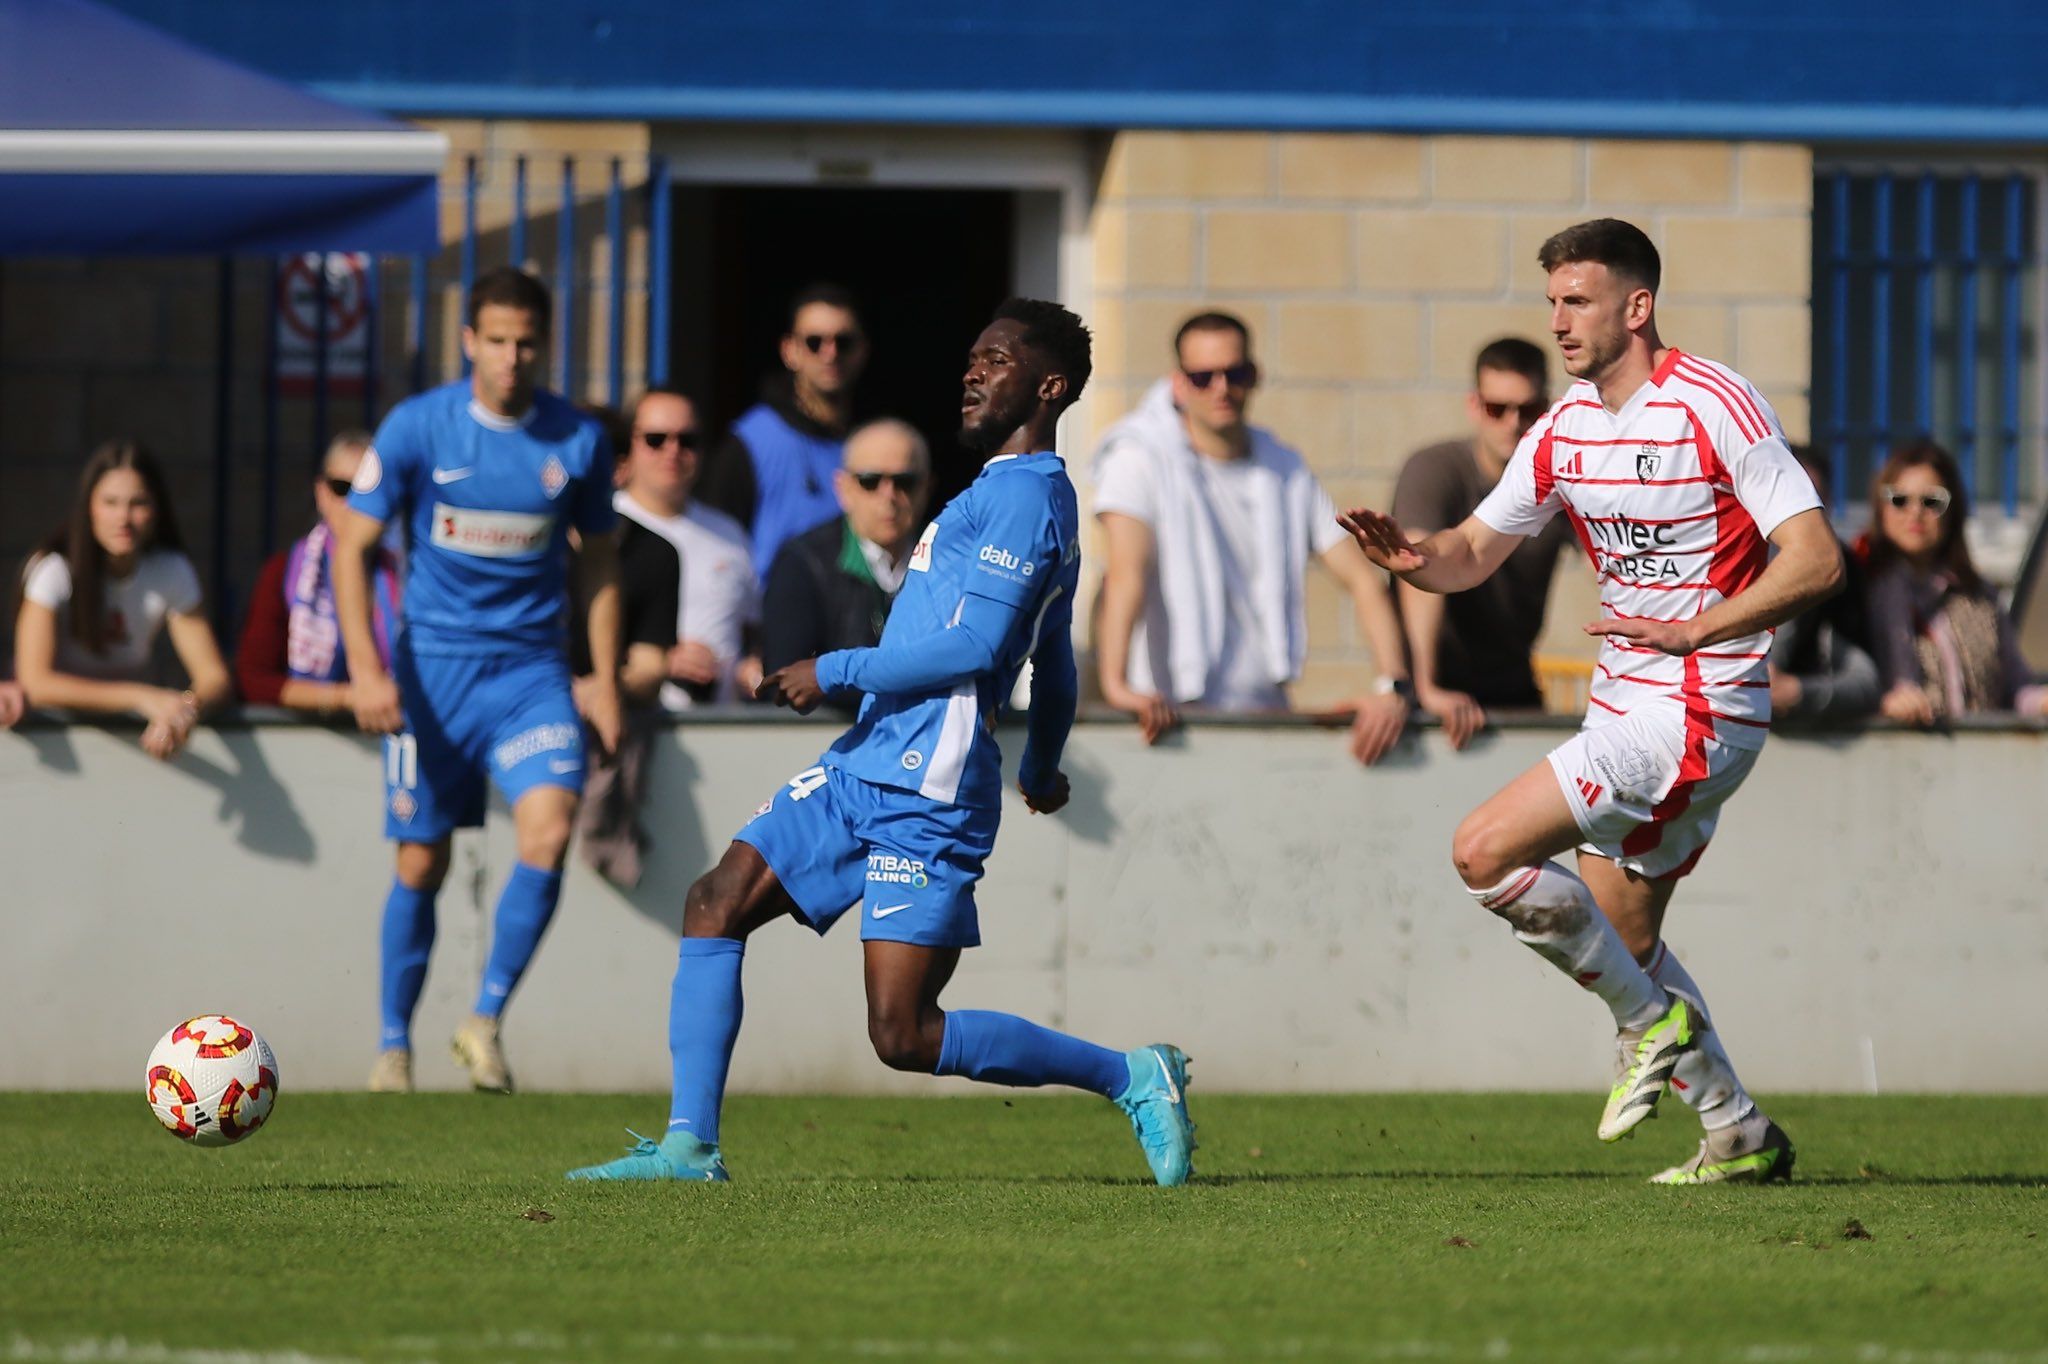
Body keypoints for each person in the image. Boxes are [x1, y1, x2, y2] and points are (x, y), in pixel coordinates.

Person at [566, 299, 1196, 1187]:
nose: (973, 372)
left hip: (929, 792)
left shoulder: (1028, 500)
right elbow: (1051, 662)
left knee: (903, 1034)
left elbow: (982, 649)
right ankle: (688, 1147)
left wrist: (836, 665)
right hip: (867, 764)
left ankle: (1131, 1076)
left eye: (997, 360)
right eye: (971, 356)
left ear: (1050, 386)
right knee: (715, 901)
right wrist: (1043, 764)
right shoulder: (999, 491)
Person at [1338, 219, 1843, 1184]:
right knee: (1626, 938)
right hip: (1626, 709)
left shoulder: (1715, 403)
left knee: (1482, 849)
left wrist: (1699, 628)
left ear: (1636, 306)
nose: (1560, 322)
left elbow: (1817, 558)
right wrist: (1414, 558)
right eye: (1552, 302)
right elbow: (1473, 550)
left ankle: (1649, 1026)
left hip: (1697, 706)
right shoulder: (1565, 427)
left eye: (1578, 300)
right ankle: (1737, 1131)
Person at [334, 265, 624, 1096]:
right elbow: (354, 546)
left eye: (526, 341)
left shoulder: (577, 439)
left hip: (531, 677)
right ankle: (394, 1046)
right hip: (432, 680)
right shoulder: (418, 428)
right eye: (495, 340)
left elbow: (600, 563)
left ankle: (484, 1020)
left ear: (545, 344)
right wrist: (365, 669)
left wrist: (599, 676)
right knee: (420, 865)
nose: (511, 357)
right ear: (469, 341)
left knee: (549, 828)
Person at [1092, 311, 1413, 765]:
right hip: (1167, 718)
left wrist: (1392, 686)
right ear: (1179, 384)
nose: (1222, 387)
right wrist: (1117, 688)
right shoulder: (1138, 458)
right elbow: (1125, 575)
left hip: (1264, 711)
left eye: (1235, 372)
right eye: (1204, 377)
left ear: (1255, 375)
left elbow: (1361, 579)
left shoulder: (1284, 467)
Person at [1392, 338, 1573, 743]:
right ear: (1474, 405)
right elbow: (1421, 570)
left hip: (1513, 680)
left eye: (1527, 410)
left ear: (1547, 408)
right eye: (1498, 409)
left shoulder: (1561, 478)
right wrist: (1425, 688)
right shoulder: (1435, 469)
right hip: (1436, 690)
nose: (1513, 423)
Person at [14, 439, 232, 759]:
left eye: (138, 503)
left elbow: (213, 676)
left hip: (128, 743)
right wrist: (141, 697)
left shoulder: (170, 569)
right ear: (88, 506)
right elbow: (36, 682)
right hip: (53, 745)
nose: (123, 518)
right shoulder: (54, 569)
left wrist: (183, 710)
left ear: (157, 508)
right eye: (111, 502)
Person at [1864, 440, 2047, 724]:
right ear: (1880, 507)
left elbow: (2017, 687)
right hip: (1891, 758)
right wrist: (1885, 702)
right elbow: (1844, 679)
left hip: (1976, 759)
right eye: (1899, 499)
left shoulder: (1979, 595)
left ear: (1953, 510)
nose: (1915, 512)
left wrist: (2041, 701)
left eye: (1932, 501)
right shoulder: (1859, 589)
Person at [760, 418, 931, 715]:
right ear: (843, 489)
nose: (888, 496)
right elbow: (784, 686)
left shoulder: (950, 564)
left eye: (904, 481)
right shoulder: (802, 563)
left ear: (927, 487)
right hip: (834, 747)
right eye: (870, 481)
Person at [701, 283, 868, 578]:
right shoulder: (749, 442)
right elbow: (713, 555)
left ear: (862, 350)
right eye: (814, 342)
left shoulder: (874, 446)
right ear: (789, 351)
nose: (830, 354)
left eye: (843, 342)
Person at [612, 387, 762, 710]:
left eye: (687, 440)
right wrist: (660, 660)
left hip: (719, 731)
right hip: (634, 726)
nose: (673, 451)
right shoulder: (607, 532)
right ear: (630, 446)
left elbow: (751, 631)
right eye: (656, 439)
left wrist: (749, 671)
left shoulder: (730, 533)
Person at [234, 431, 401, 714]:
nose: (354, 503)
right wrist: (348, 697)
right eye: (342, 488)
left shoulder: (411, 572)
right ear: (321, 493)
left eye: (368, 490)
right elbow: (252, 677)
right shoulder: (285, 572)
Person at [1768, 446, 1879, 725]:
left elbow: (1865, 683)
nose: (1796, 513)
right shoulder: (1713, 560)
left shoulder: (1841, 570)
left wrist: (1797, 691)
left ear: (1827, 504)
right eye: (1786, 497)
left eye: (1808, 500)